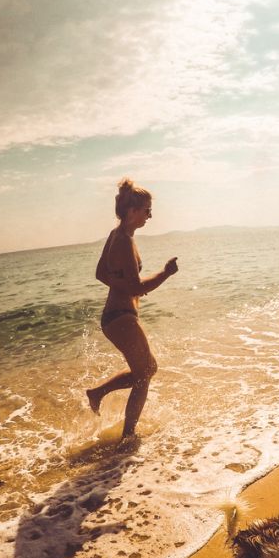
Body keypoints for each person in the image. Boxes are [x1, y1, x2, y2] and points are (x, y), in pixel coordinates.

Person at [86, 178, 178, 441]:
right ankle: (128, 436)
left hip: (113, 317)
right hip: (121, 316)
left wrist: (124, 286)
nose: (150, 215)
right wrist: (165, 273)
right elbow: (136, 288)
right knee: (146, 372)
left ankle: (98, 394)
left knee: (145, 370)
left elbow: (100, 273)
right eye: (147, 210)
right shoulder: (124, 241)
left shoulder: (116, 235)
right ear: (132, 211)